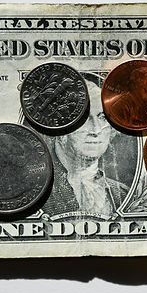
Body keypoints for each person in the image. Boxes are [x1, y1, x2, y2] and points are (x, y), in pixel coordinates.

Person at [42, 79, 131, 217]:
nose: (95, 130)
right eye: (83, 119)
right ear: (58, 126)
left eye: (103, 118)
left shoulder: (122, 193)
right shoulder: (38, 189)